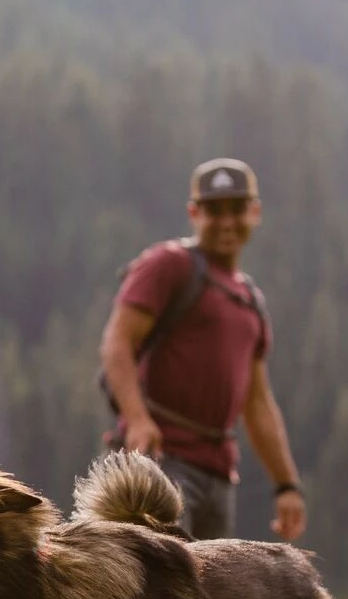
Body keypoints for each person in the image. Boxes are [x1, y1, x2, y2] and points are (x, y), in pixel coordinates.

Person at [99, 157, 307, 541]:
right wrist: (138, 419)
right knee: (157, 594)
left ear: (255, 212)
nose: (227, 222)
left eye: (237, 209)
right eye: (214, 210)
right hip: (158, 466)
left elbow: (258, 402)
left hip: (218, 478)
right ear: (194, 213)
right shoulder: (168, 265)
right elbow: (117, 342)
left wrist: (286, 486)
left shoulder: (249, 300)